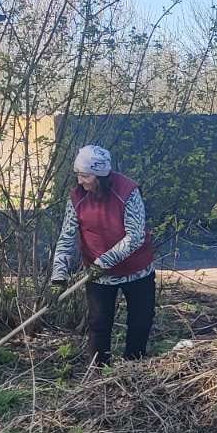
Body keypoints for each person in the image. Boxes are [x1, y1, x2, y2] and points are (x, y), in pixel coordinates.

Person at [51, 145, 157, 366]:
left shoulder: (127, 192)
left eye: (86, 176)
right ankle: (99, 372)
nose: (81, 181)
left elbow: (135, 236)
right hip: (98, 275)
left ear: (100, 175)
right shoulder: (77, 197)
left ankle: (133, 368)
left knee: (140, 322)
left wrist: (104, 262)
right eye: (78, 175)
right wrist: (58, 275)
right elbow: (67, 238)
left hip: (136, 271)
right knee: (99, 323)